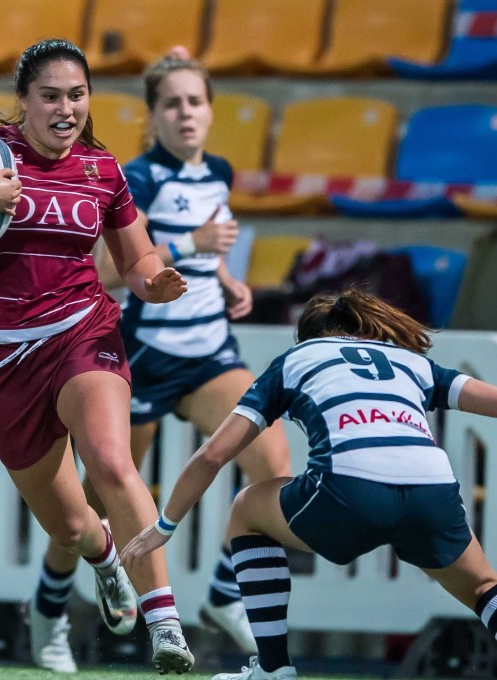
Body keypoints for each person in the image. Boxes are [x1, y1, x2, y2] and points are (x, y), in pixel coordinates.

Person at [0, 39, 195, 674]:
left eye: (76, 95)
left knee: (111, 459)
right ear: (23, 100)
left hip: (85, 332)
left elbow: (136, 258)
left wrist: (153, 281)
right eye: (50, 95)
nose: (65, 108)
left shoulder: (102, 169)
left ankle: (165, 624)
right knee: (71, 527)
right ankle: (105, 557)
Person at [24, 51, 291, 670]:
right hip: (140, 355)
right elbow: (107, 272)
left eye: (195, 101)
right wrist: (191, 245)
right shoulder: (135, 178)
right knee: (91, 511)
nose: (186, 113)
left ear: (211, 110)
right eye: (172, 103)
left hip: (207, 353)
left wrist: (222, 276)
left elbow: (208, 240)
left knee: (273, 464)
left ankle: (226, 598)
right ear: (153, 116)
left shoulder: (218, 170)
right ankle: (47, 609)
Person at [121, 288, 497, 680]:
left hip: (352, 491)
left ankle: (273, 669)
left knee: (247, 507)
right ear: (367, 327)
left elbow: (212, 455)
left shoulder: (296, 360)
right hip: (432, 491)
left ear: (306, 336)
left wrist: (163, 527)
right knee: (484, 586)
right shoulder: (411, 362)